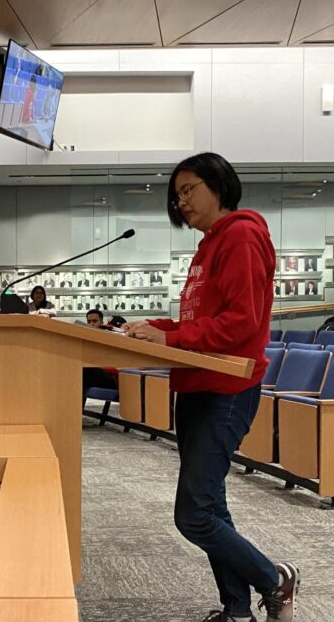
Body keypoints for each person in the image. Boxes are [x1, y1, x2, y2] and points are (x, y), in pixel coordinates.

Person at [122, 152, 297, 622]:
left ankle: (274, 578)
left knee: (194, 515)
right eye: (175, 196)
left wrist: (172, 336)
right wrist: (152, 327)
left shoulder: (240, 234)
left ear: (218, 183)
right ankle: (237, 610)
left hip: (225, 389)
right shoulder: (209, 245)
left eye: (188, 190)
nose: (181, 202)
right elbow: (201, 322)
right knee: (212, 508)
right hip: (198, 385)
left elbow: (241, 324)